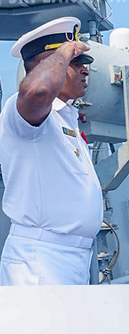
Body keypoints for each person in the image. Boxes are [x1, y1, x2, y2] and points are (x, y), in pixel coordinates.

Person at [0, 18, 101, 285]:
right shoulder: (22, 113)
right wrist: (65, 49)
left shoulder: (65, 118)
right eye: (77, 62)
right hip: (40, 261)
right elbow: (38, 90)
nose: (85, 70)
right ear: (48, 63)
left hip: (74, 259)